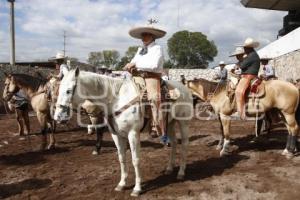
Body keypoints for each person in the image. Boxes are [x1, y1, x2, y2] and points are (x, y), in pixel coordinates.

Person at [123, 25, 168, 143]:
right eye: (142, 35)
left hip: (151, 77)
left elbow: (153, 65)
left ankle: (157, 126)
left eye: (145, 35)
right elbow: (133, 61)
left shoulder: (158, 48)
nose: (143, 37)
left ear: (152, 36)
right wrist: (129, 65)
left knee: (153, 98)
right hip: (137, 76)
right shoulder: (140, 50)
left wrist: (135, 65)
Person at [235, 37, 261, 119]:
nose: (244, 50)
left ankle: (241, 113)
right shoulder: (252, 55)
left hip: (249, 76)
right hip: (251, 75)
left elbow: (242, 66)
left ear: (248, 48)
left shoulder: (251, 56)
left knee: (238, 92)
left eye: (245, 48)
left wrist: (239, 63)